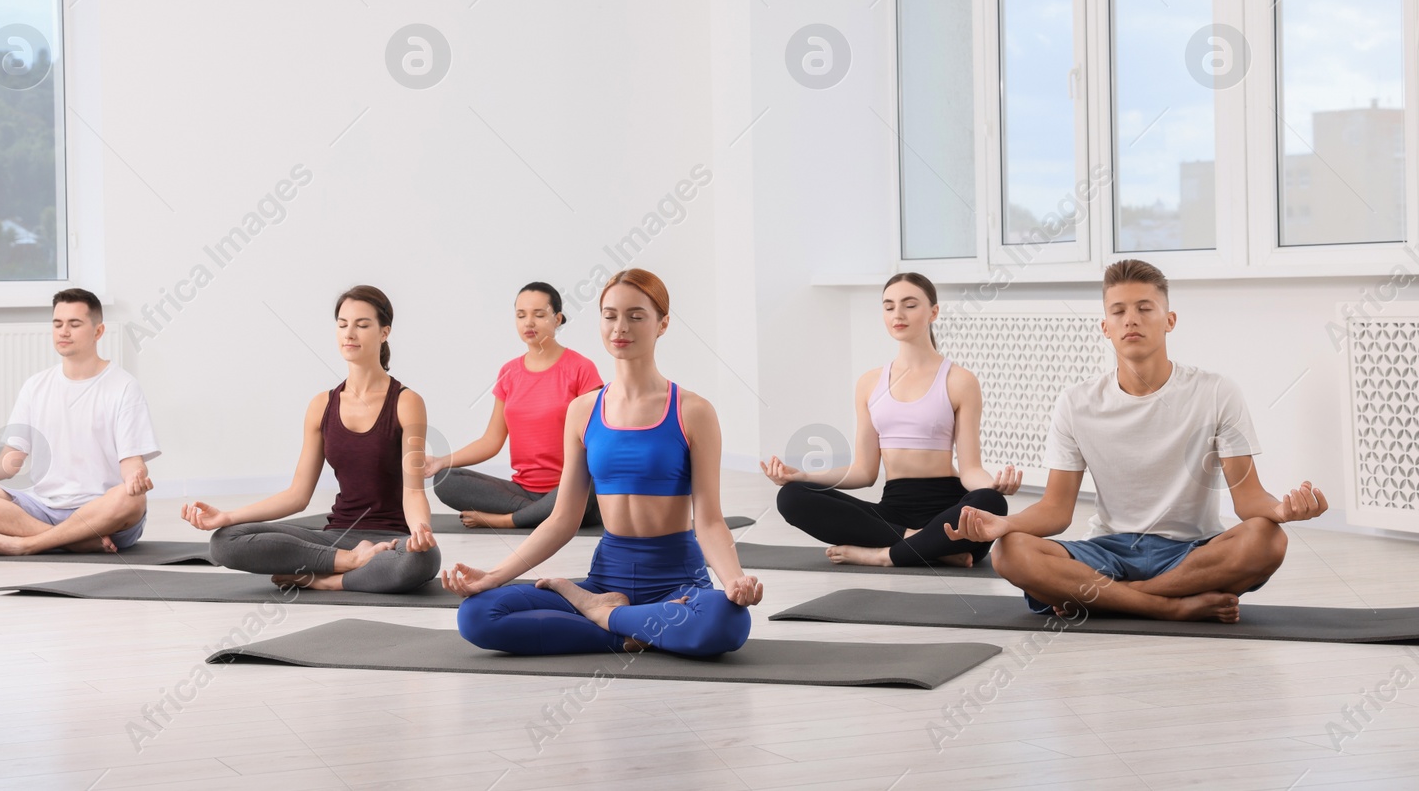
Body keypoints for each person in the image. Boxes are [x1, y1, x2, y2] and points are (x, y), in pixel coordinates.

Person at [947, 259, 1328, 622]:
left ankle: (1114, 598)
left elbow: (1249, 501)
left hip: (1191, 552)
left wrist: (1282, 511)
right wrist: (1004, 525)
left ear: (1169, 321)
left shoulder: (1216, 392)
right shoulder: (1076, 402)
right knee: (1011, 552)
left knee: (1268, 540)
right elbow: (1055, 510)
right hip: (1107, 549)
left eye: (1145, 308)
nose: (1131, 319)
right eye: (1119, 311)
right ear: (1105, 327)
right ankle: (1169, 608)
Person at [442, 269, 760, 656]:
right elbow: (562, 520)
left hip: (677, 584)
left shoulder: (693, 411)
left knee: (726, 622)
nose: (619, 327)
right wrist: (492, 576)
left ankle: (601, 617)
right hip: (605, 578)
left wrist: (733, 581)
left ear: (663, 324)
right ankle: (625, 623)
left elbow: (709, 519)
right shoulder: (583, 411)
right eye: (609, 315)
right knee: (477, 614)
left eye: (635, 316)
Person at [180, 285, 439, 593]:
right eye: (342, 324)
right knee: (225, 542)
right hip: (335, 539)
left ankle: (327, 580)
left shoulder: (406, 402)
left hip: (391, 538)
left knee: (423, 561)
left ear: (384, 332)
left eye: (362, 324)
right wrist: (226, 516)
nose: (349, 333)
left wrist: (420, 529)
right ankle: (349, 562)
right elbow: (298, 495)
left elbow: (413, 492)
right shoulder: (321, 406)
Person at [761, 272, 1020, 568]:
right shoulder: (869, 383)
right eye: (889, 306)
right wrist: (802, 476)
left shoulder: (960, 381)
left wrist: (994, 486)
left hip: (948, 508)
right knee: (792, 497)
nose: (898, 314)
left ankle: (882, 555)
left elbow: (970, 469)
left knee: (992, 504)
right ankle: (925, 543)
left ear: (933, 312)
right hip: (893, 512)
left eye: (910, 305)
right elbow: (864, 471)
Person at [0, 289, 157, 555]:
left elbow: (131, 463)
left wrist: (136, 478)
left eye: (74, 324)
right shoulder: (36, 386)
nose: (64, 332)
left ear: (98, 331)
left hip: (99, 512)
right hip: (42, 508)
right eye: (57, 324)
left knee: (132, 500)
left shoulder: (124, 387)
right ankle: (72, 541)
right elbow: (8, 463)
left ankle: (24, 544)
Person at [427, 282, 604, 529]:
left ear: (557, 319)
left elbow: (599, 441)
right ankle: (544, 516)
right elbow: (491, 440)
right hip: (523, 492)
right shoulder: (509, 372)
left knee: (592, 481)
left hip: (571, 489)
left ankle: (509, 520)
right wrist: (441, 461)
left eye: (539, 315)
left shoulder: (581, 368)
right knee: (446, 480)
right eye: (521, 315)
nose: (528, 322)